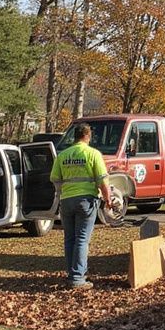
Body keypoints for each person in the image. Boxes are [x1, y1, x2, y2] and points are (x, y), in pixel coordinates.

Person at [51, 123, 113, 290]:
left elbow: (55, 178)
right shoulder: (93, 154)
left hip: (67, 201)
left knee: (69, 239)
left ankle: (72, 273)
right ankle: (78, 278)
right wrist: (108, 199)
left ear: (74, 136)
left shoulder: (63, 155)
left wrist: (61, 192)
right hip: (86, 201)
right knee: (82, 239)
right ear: (88, 136)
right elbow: (102, 180)